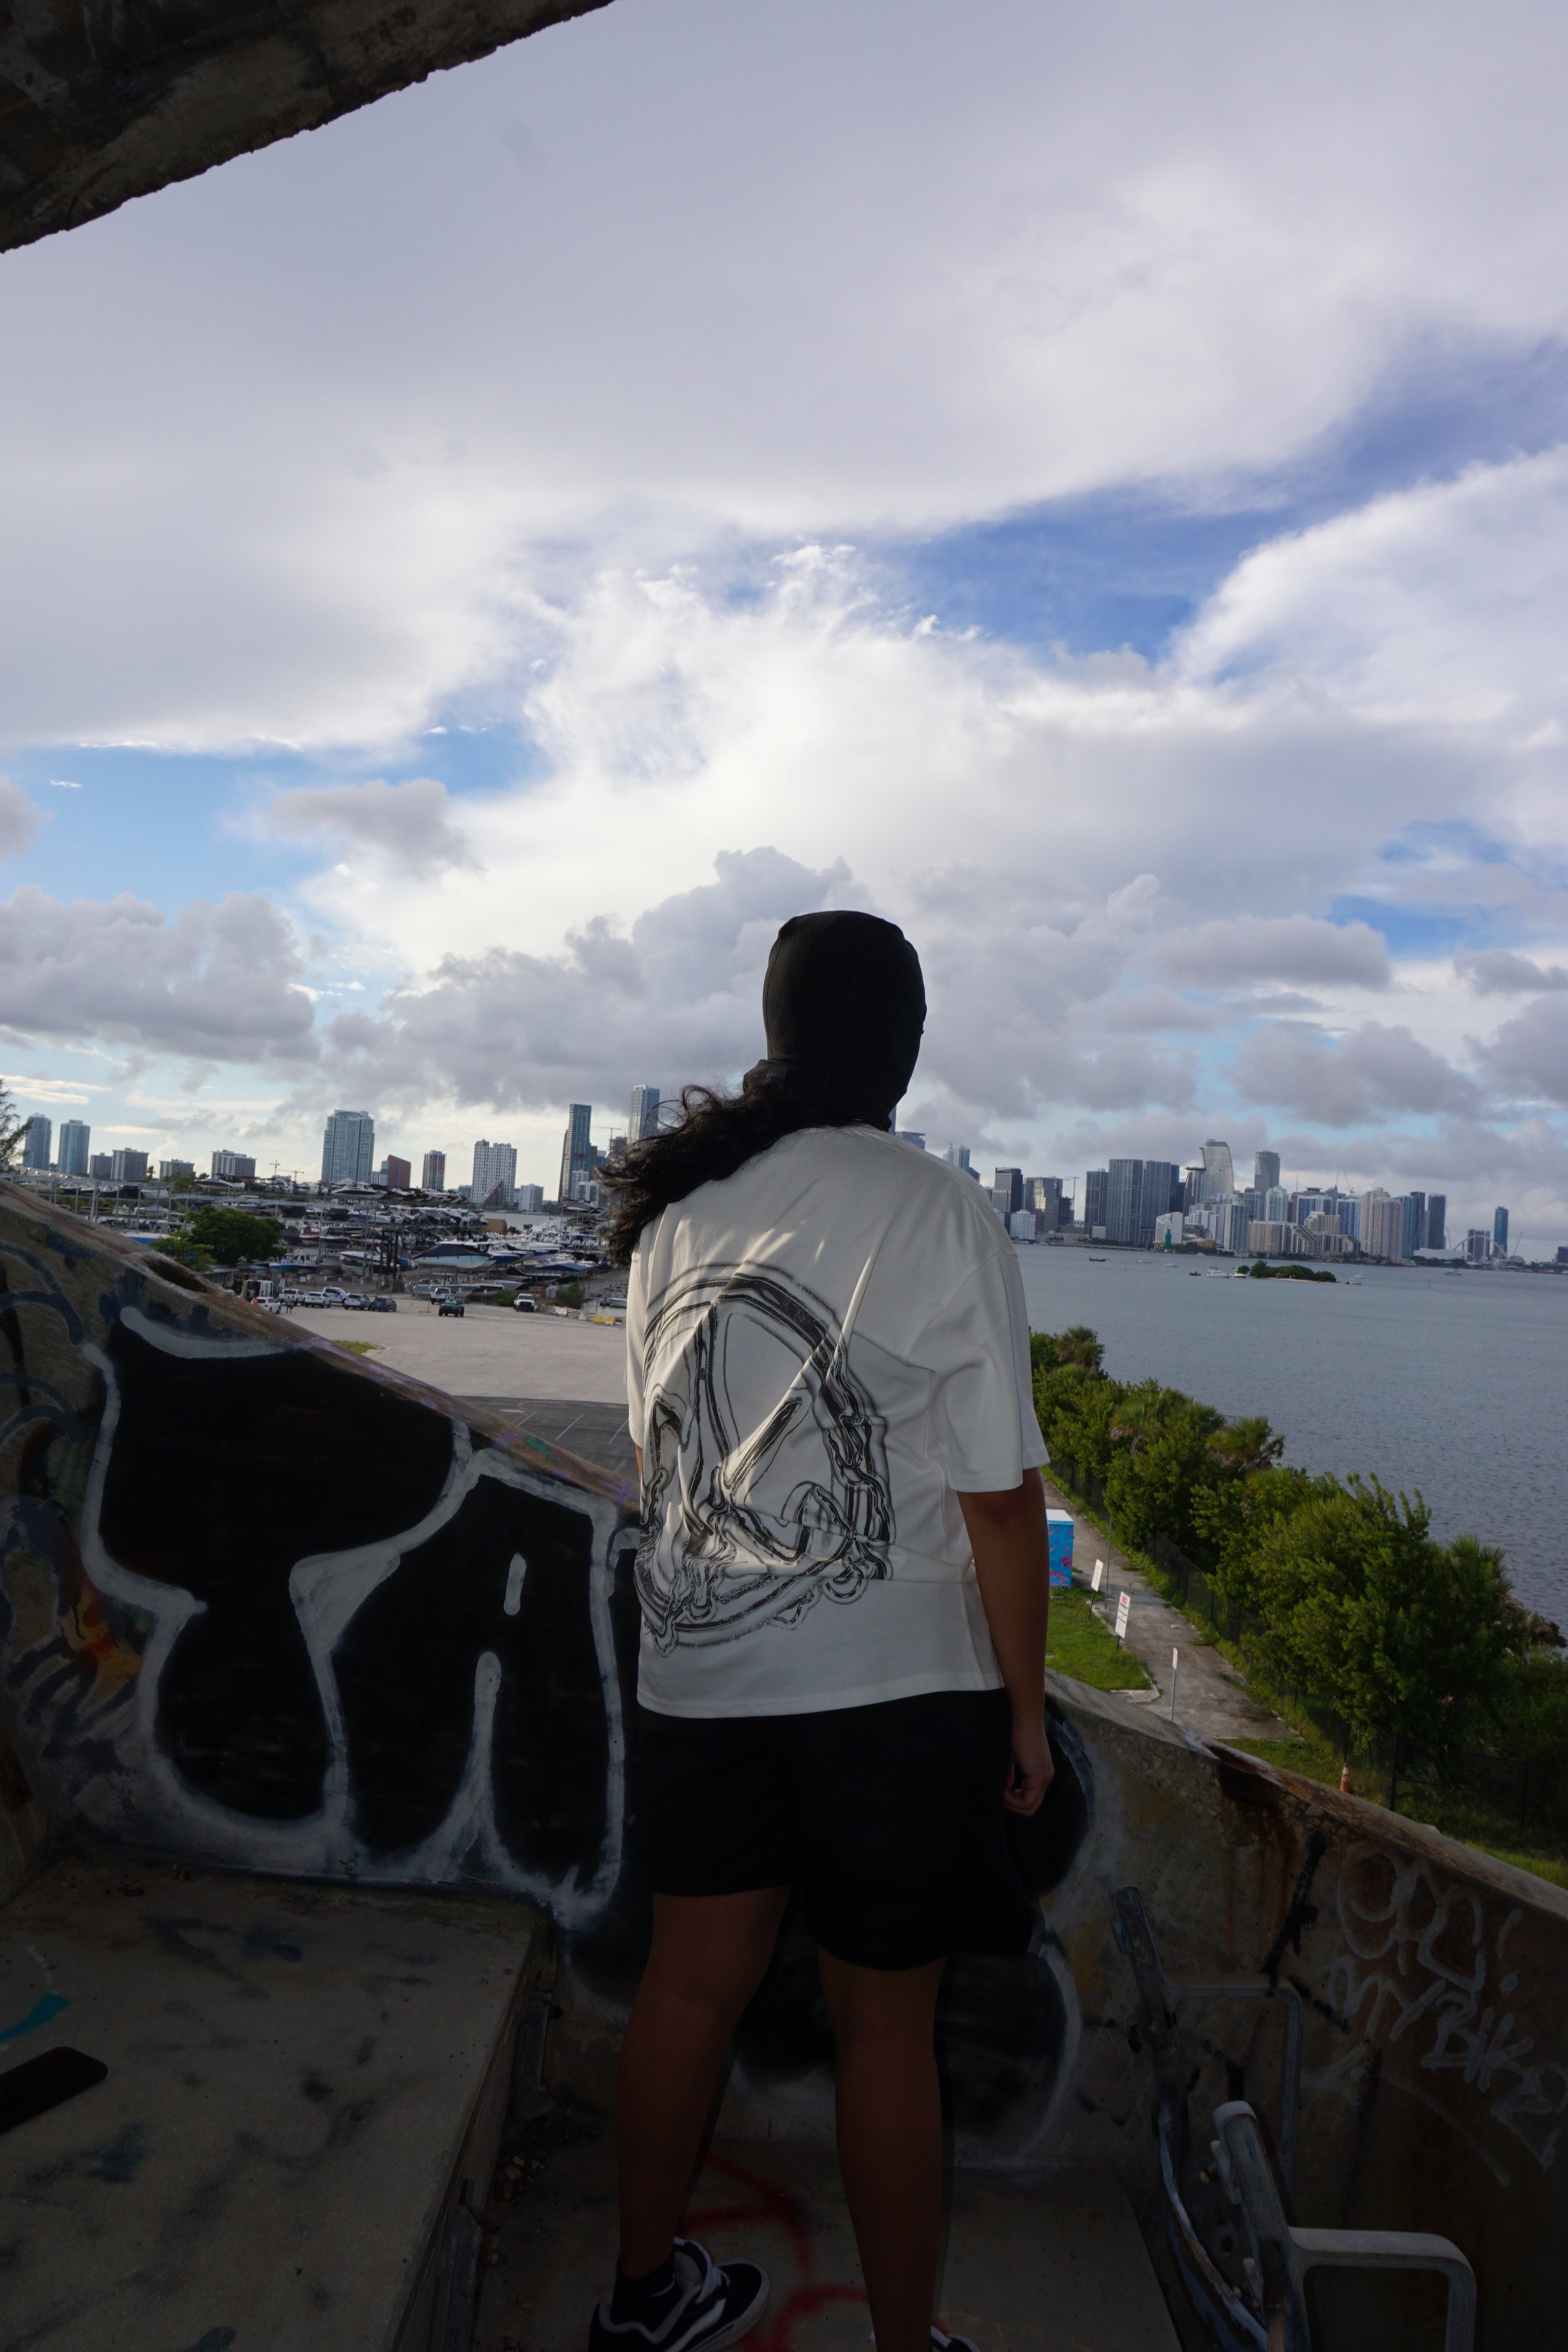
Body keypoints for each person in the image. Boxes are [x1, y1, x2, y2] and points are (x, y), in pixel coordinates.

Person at [594, 910, 1054, 2352]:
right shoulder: (937, 1209)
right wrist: (1026, 1710)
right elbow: (999, 1499)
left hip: (702, 1675)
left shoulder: (678, 1220)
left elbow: (662, 1455)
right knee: (886, 2032)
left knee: (685, 1993)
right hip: (894, 1696)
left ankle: (641, 2300)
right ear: (903, 1050)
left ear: (777, 1032)